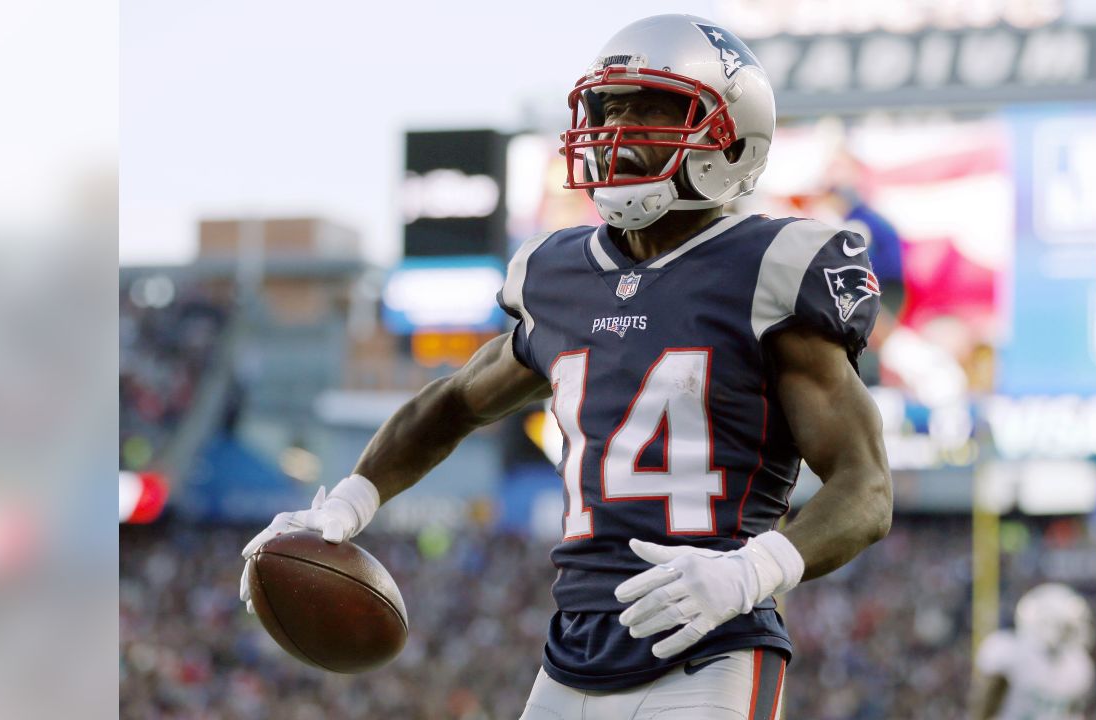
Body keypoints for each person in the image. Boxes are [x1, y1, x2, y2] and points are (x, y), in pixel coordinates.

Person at [240, 14, 892, 719]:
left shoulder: (772, 264)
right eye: (610, 109)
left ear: (728, 134)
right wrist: (344, 505)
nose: (618, 132)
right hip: (569, 660)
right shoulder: (557, 273)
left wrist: (752, 572)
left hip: (711, 651)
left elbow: (866, 488)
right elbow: (454, 402)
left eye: (650, 109)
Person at [969, 583, 1096, 720]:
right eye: (1067, 629)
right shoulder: (1009, 653)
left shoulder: (1078, 667)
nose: (1075, 635)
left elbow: (1074, 713)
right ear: (1046, 623)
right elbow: (983, 705)